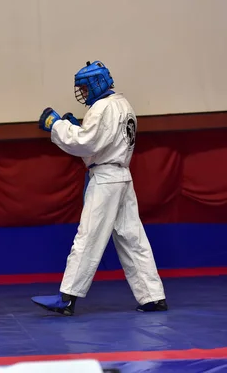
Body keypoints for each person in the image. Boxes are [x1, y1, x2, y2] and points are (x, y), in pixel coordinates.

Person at [32, 61, 168, 316]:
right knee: (133, 238)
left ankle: (67, 298)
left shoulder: (102, 107)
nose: (83, 93)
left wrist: (58, 125)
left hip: (106, 179)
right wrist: (75, 125)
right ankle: (153, 296)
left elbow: (87, 143)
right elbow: (101, 139)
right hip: (123, 177)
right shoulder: (123, 105)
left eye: (84, 88)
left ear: (96, 83)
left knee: (88, 237)